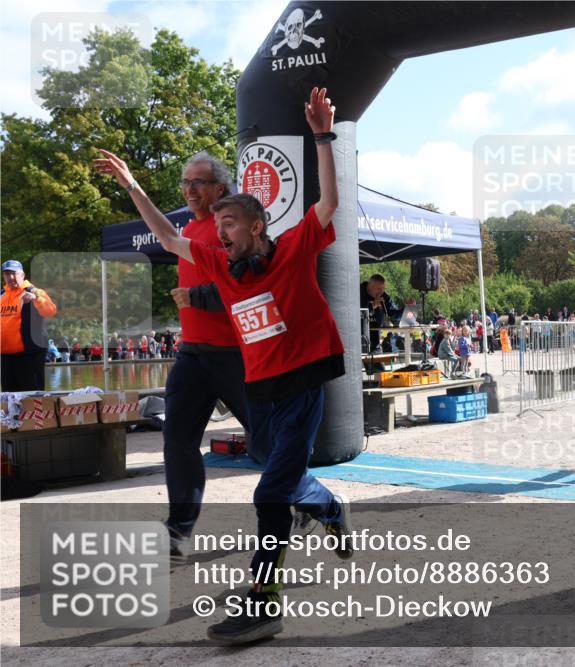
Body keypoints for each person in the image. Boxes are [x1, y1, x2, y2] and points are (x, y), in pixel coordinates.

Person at [95, 87, 353, 645]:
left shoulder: (293, 249)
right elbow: (168, 237)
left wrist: (323, 137)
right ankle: (328, 507)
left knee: (269, 492)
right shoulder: (218, 262)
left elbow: (330, 203)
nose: (219, 233)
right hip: (259, 386)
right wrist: (133, 185)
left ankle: (264, 602)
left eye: (229, 224)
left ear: (255, 226)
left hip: (301, 387)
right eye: (218, 227)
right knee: (267, 466)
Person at [96, 149, 256, 563]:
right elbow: (165, 234)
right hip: (193, 354)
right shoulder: (192, 226)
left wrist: (198, 296)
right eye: (185, 182)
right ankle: (179, 530)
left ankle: (316, 503)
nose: (189, 189)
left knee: (272, 443)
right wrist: (132, 185)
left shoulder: (230, 228)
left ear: (220, 187)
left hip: (235, 354)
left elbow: (247, 283)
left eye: (198, 182)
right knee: (177, 439)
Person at [1, 260, 58, 391]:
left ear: (22, 275)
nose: (11, 277)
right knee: (9, 397)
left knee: (32, 396)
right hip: (5, 357)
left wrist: (35, 299)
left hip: (29, 355)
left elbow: (50, 311)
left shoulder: (35, 291)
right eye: (7, 274)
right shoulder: (1, 295)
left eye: (14, 273)